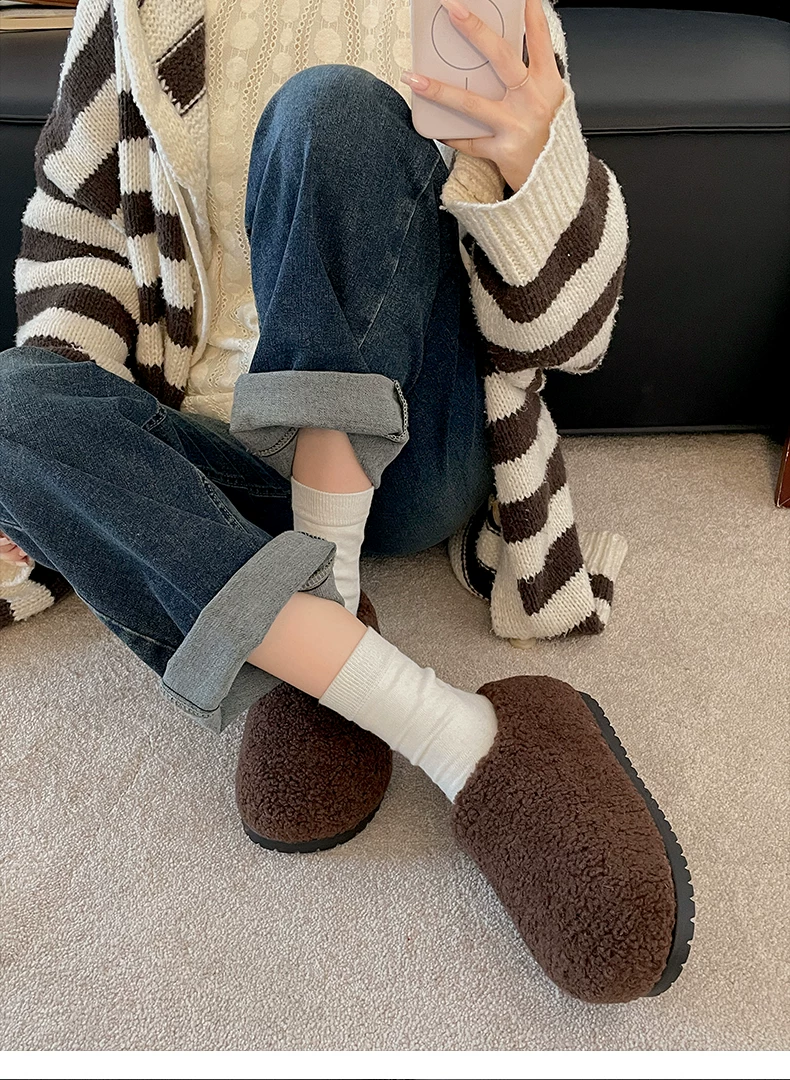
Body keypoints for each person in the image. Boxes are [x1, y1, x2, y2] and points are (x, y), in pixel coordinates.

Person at [0, 0, 692, 1003]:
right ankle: (448, 725)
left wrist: (536, 170)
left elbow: (571, 344)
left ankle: (320, 592)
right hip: (213, 459)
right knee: (9, 406)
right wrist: (64, 478)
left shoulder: (480, 8)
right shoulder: (135, 12)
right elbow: (81, 250)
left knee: (330, 113)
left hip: (409, 454)